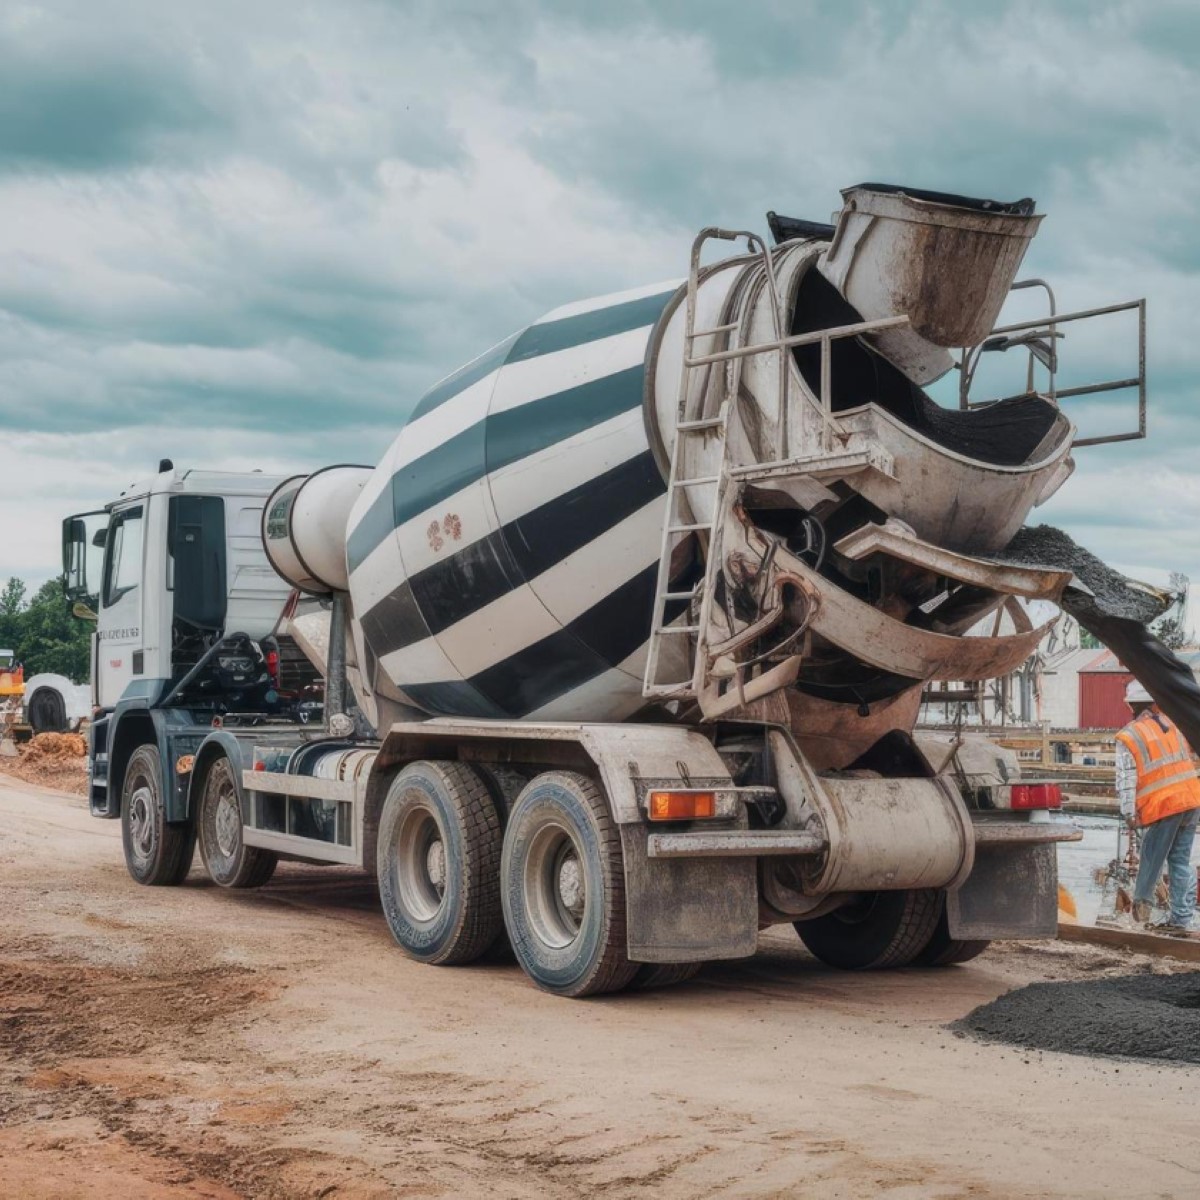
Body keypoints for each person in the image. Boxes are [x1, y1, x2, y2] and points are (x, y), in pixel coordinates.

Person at [1116, 682, 1200, 931]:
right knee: (1180, 861)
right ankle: (1182, 918)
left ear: (1131, 705)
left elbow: (1126, 779)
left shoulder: (1129, 735)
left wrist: (1129, 813)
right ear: (1154, 704)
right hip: (1191, 800)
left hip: (1164, 805)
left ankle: (1142, 909)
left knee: (1151, 858)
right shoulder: (1174, 726)